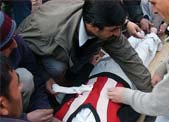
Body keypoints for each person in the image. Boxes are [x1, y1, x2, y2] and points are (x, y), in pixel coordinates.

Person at [53, 30, 161, 122]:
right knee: (145, 49)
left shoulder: (62, 117)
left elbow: (73, 89)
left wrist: (88, 67)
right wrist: (130, 93)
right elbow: (135, 109)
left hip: (98, 70)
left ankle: (140, 32)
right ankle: (154, 33)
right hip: (125, 76)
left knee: (125, 44)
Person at [17, 0, 152, 97]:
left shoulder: (101, 19)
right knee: (56, 67)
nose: (118, 34)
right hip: (39, 45)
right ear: (92, 26)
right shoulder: (46, 32)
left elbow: (128, 58)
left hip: (67, 42)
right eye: (114, 29)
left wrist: (150, 92)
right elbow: (22, 52)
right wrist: (44, 77)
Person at [0, 11, 58, 122]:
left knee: (25, 77)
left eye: (13, 36)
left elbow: (36, 76)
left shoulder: (17, 44)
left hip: (10, 106)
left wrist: (43, 113)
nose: (14, 44)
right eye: (7, 43)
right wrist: (25, 120)